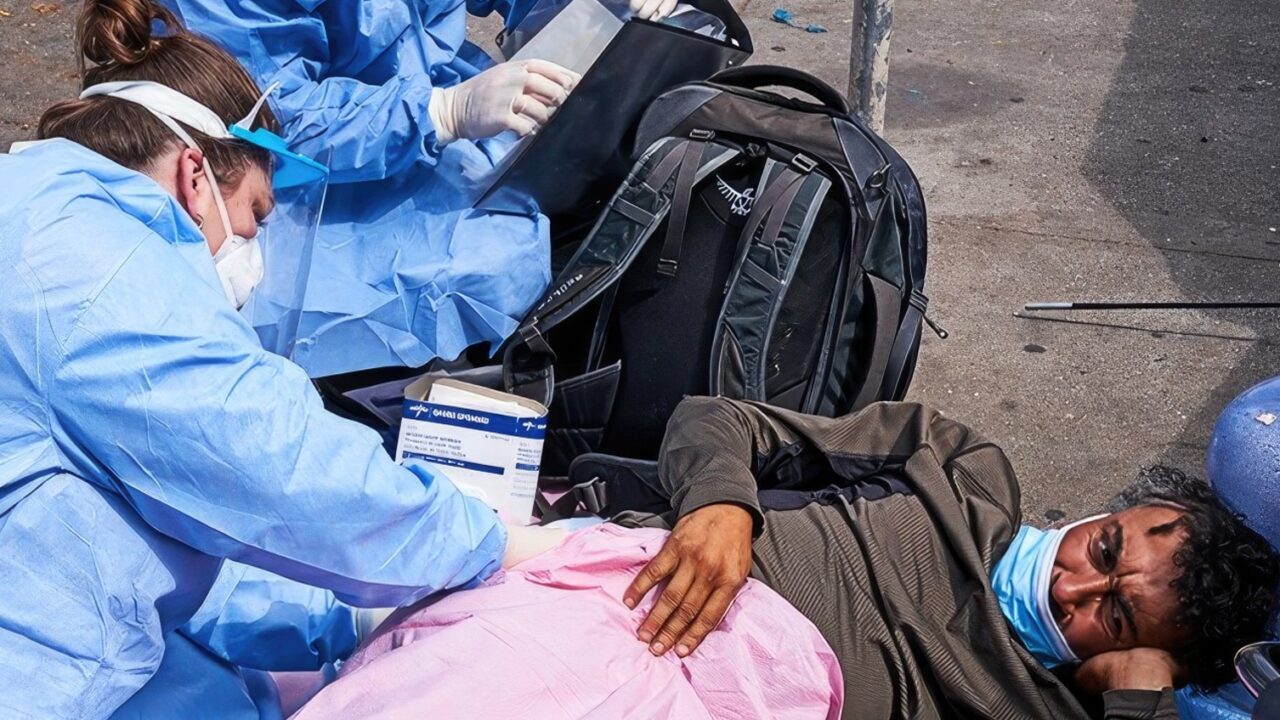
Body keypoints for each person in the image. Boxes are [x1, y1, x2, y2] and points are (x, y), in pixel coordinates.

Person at [0, 2, 560, 716]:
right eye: (257, 217)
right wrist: (489, 543)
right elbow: (275, 463)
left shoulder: (41, 207)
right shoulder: (95, 274)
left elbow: (166, 541)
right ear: (194, 177)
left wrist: (340, 619)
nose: (253, 264)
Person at [289, 397, 1279, 719]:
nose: (1071, 581)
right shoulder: (961, 470)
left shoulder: (1035, 705)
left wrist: (1138, 700)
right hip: (626, 602)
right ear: (1123, 509)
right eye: (1103, 548)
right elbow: (715, 417)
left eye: (1107, 614)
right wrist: (721, 507)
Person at [153, 0, 673, 377]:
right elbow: (266, 116)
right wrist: (438, 113)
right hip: (313, 170)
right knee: (477, 266)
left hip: (434, 108)